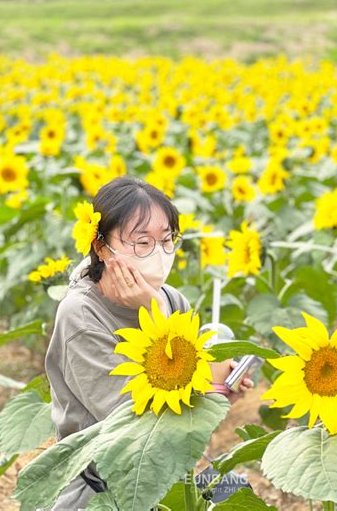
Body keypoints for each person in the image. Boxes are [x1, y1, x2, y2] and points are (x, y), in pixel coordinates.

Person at [44, 175, 254, 510]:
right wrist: (153, 310)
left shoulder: (171, 299)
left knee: (235, 489)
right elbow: (134, 423)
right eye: (142, 243)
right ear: (101, 247)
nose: (158, 253)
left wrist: (220, 379)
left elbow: (189, 380)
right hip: (104, 485)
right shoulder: (81, 315)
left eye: (167, 240)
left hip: (169, 472)